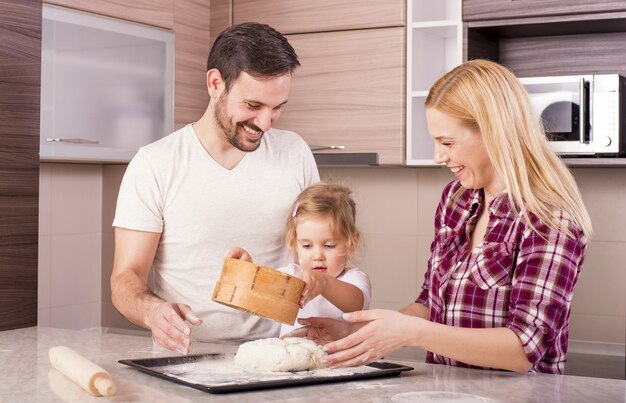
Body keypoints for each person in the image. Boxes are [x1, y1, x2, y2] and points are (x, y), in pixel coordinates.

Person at [289, 59, 592, 375]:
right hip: (445, 394)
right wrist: (358, 335)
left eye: (447, 142)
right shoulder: (457, 199)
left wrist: (411, 333)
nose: (438, 156)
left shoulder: (548, 214)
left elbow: (523, 350)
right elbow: (431, 303)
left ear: (493, 131)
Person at [110, 22, 319, 355]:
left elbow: (317, 263)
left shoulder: (294, 153)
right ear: (215, 83)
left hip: (276, 357)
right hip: (185, 361)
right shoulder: (155, 164)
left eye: (277, 107)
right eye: (253, 106)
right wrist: (152, 311)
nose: (265, 123)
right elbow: (125, 277)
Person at [276, 182, 371, 336]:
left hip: (339, 360)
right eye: (307, 246)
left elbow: (356, 304)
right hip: (292, 359)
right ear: (295, 243)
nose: (318, 256)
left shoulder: (353, 278)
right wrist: (245, 269)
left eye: (329, 245)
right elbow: (258, 290)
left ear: (351, 243)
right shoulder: (291, 275)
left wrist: (324, 283)